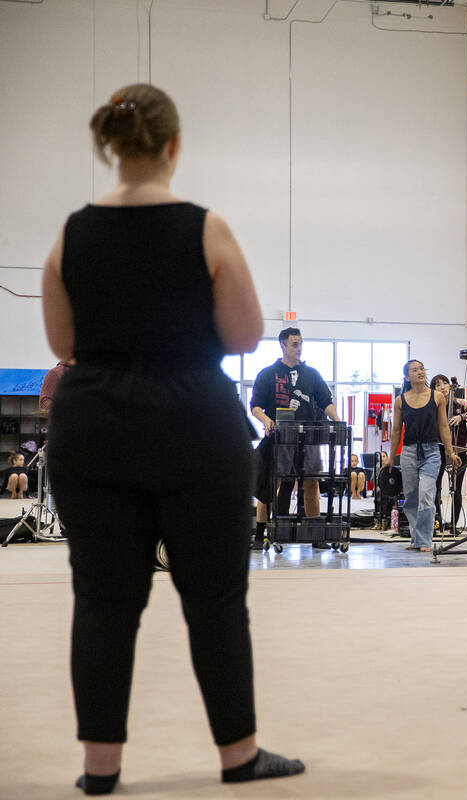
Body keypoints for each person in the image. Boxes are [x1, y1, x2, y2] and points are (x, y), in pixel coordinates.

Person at [40, 84, 304, 795]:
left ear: (111, 148)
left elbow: (62, 342)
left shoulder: (71, 233)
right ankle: (238, 755)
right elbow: (246, 335)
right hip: (193, 420)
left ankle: (101, 769)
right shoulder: (206, 228)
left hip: (93, 423)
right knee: (215, 595)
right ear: (173, 147)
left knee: (102, 598)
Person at [250, 327, 339, 550]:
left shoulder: (312, 374)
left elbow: (326, 401)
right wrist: (266, 420)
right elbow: (256, 406)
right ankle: (260, 536)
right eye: (294, 344)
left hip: (309, 437)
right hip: (279, 437)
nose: (298, 348)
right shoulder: (268, 374)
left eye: (300, 344)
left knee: (311, 482)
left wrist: (337, 420)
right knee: (270, 485)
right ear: (283, 345)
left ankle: (316, 536)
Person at [389, 360, 460, 552]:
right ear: (407, 377)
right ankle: (416, 538)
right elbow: (396, 431)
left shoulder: (437, 397)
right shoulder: (400, 401)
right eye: (415, 370)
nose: (420, 372)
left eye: (422, 368)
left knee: (427, 495)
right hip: (409, 452)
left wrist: (450, 451)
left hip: (431, 452)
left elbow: (444, 426)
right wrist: (390, 457)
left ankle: (425, 540)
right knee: (411, 499)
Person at [431, 375, 467, 531]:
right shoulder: (432, 405)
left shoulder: (460, 403)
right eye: (437, 385)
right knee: (436, 486)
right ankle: (438, 521)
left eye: (445, 383)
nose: (442, 387)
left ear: (450, 385)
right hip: (438, 449)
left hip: (459, 450)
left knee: (457, 489)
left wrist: (462, 416)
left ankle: (454, 524)